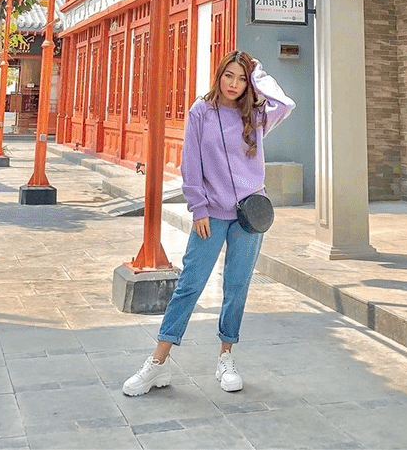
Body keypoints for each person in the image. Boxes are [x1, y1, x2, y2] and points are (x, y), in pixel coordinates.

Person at [122, 51, 294, 396]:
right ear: (219, 76)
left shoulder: (256, 115)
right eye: (229, 75)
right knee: (190, 284)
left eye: (242, 78)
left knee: (236, 288)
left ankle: (226, 357)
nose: (234, 84)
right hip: (212, 214)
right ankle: (158, 362)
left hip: (249, 213)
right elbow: (191, 163)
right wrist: (198, 208)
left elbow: (285, 103)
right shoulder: (201, 111)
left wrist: (256, 69)